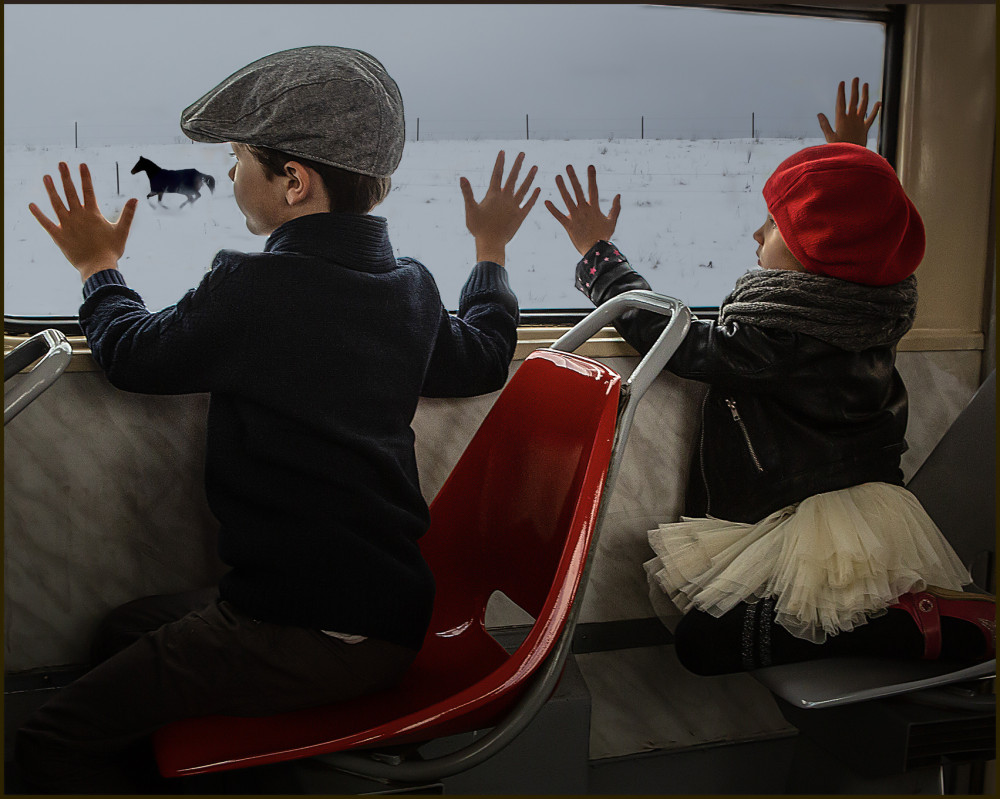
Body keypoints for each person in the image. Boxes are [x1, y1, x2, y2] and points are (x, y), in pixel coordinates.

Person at [16, 46, 540, 792]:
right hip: (384, 613)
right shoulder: (412, 289)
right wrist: (491, 251)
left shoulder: (252, 288)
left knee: (49, 741)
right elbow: (484, 355)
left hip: (303, 627)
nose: (230, 176)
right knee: (120, 631)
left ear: (294, 182)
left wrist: (97, 266)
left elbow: (134, 355)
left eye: (237, 160)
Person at [545, 78, 995, 675]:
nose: (757, 234)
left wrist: (598, 255)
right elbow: (860, 226)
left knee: (701, 642)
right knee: (719, 633)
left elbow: (676, 339)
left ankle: (913, 627)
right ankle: (904, 622)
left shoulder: (780, 338)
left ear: (817, 248)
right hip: (852, 510)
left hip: (804, 518)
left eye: (774, 225)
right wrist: (851, 157)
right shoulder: (864, 312)